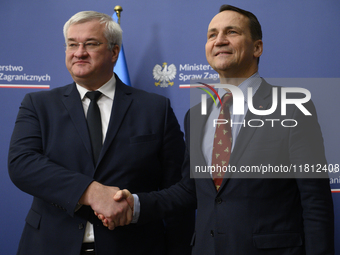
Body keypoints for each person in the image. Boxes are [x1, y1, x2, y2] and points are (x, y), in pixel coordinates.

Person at [101, 5, 334, 255]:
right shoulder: (196, 116)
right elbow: (189, 190)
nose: (219, 40)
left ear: (257, 47)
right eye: (212, 34)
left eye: (231, 32)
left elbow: (316, 201)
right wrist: (135, 204)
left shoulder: (293, 108)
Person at [8, 11, 194, 255]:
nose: (79, 52)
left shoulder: (155, 108)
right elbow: (22, 164)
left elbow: (180, 190)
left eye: (91, 44)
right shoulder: (38, 104)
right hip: (50, 245)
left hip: (134, 247)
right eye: (72, 44)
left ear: (114, 52)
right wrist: (92, 192)